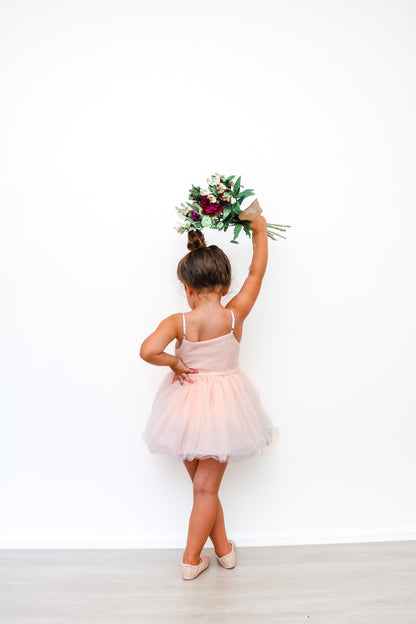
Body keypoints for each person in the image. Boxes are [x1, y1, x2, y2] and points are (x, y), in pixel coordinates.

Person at [139, 214, 276, 580]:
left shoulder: (178, 322)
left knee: (203, 488)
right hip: (226, 409)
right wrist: (259, 229)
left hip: (182, 411)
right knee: (206, 489)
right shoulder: (235, 314)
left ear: (186, 286)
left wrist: (174, 363)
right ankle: (190, 560)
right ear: (227, 283)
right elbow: (257, 274)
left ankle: (223, 550)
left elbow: (148, 350)